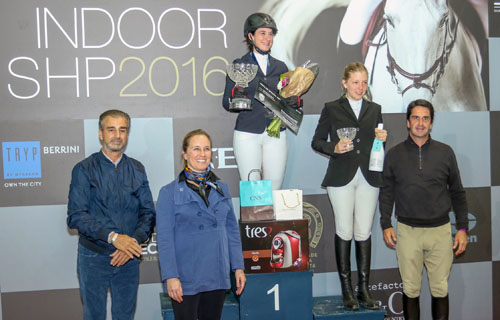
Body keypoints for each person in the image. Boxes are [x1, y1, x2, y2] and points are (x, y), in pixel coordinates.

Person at [379, 99, 468, 320]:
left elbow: (458, 192)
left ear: (431, 123)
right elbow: (387, 192)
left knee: (440, 288)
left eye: (425, 118)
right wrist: (386, 224)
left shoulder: (445, 152)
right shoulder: (394, 154)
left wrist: (463, 229)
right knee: (410, 290)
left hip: (440, 232)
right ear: (408, 122)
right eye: (415, 118)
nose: (420, 123)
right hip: (407, 231)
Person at [67, 109, 156, 320]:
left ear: (127, 134)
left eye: (122, 130)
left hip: (128, 257)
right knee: (94, 315)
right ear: (100, 134)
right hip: (93, 258)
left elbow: (148, 213)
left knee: (125, 316)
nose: (117, 135)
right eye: (111, 129)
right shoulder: (84, 169)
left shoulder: (137, 168)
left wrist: (131, 242)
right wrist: (115, 238)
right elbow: (76, 216)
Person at [311, 62, 387, 310]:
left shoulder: (375, 109)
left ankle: (363, 289)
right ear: (344, 83)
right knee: (345, 231)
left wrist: (382, 140)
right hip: (340, 177)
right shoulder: (331, 108)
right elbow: (317, 141)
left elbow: (378, 146)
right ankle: (346, 290)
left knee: (364, 232)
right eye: (355, 82)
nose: (360, 87)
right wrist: (334, 147)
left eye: (364, 82)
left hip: (369, 177)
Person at [156, 129, 246, 320]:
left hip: (217, 273)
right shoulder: (168, 192)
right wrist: (170, 276)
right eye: (196, 149)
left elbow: (232, 231)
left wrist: (238, 266)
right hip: (186, 276)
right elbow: (164, 239)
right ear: (185, 154)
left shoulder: (222, 189)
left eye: (206, 149)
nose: (202, 154)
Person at [222, 12, 299, 189]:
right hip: (248, 133)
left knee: (275, 188)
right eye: (262, 33)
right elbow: (227, 102)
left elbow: (286, 99)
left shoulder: (281, 67)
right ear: (251, 36)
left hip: (275, 132)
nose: (267, 38)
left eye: (270, 33)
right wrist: (239, 95)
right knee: (253, 190)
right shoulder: (240, 65)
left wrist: (292, 102)